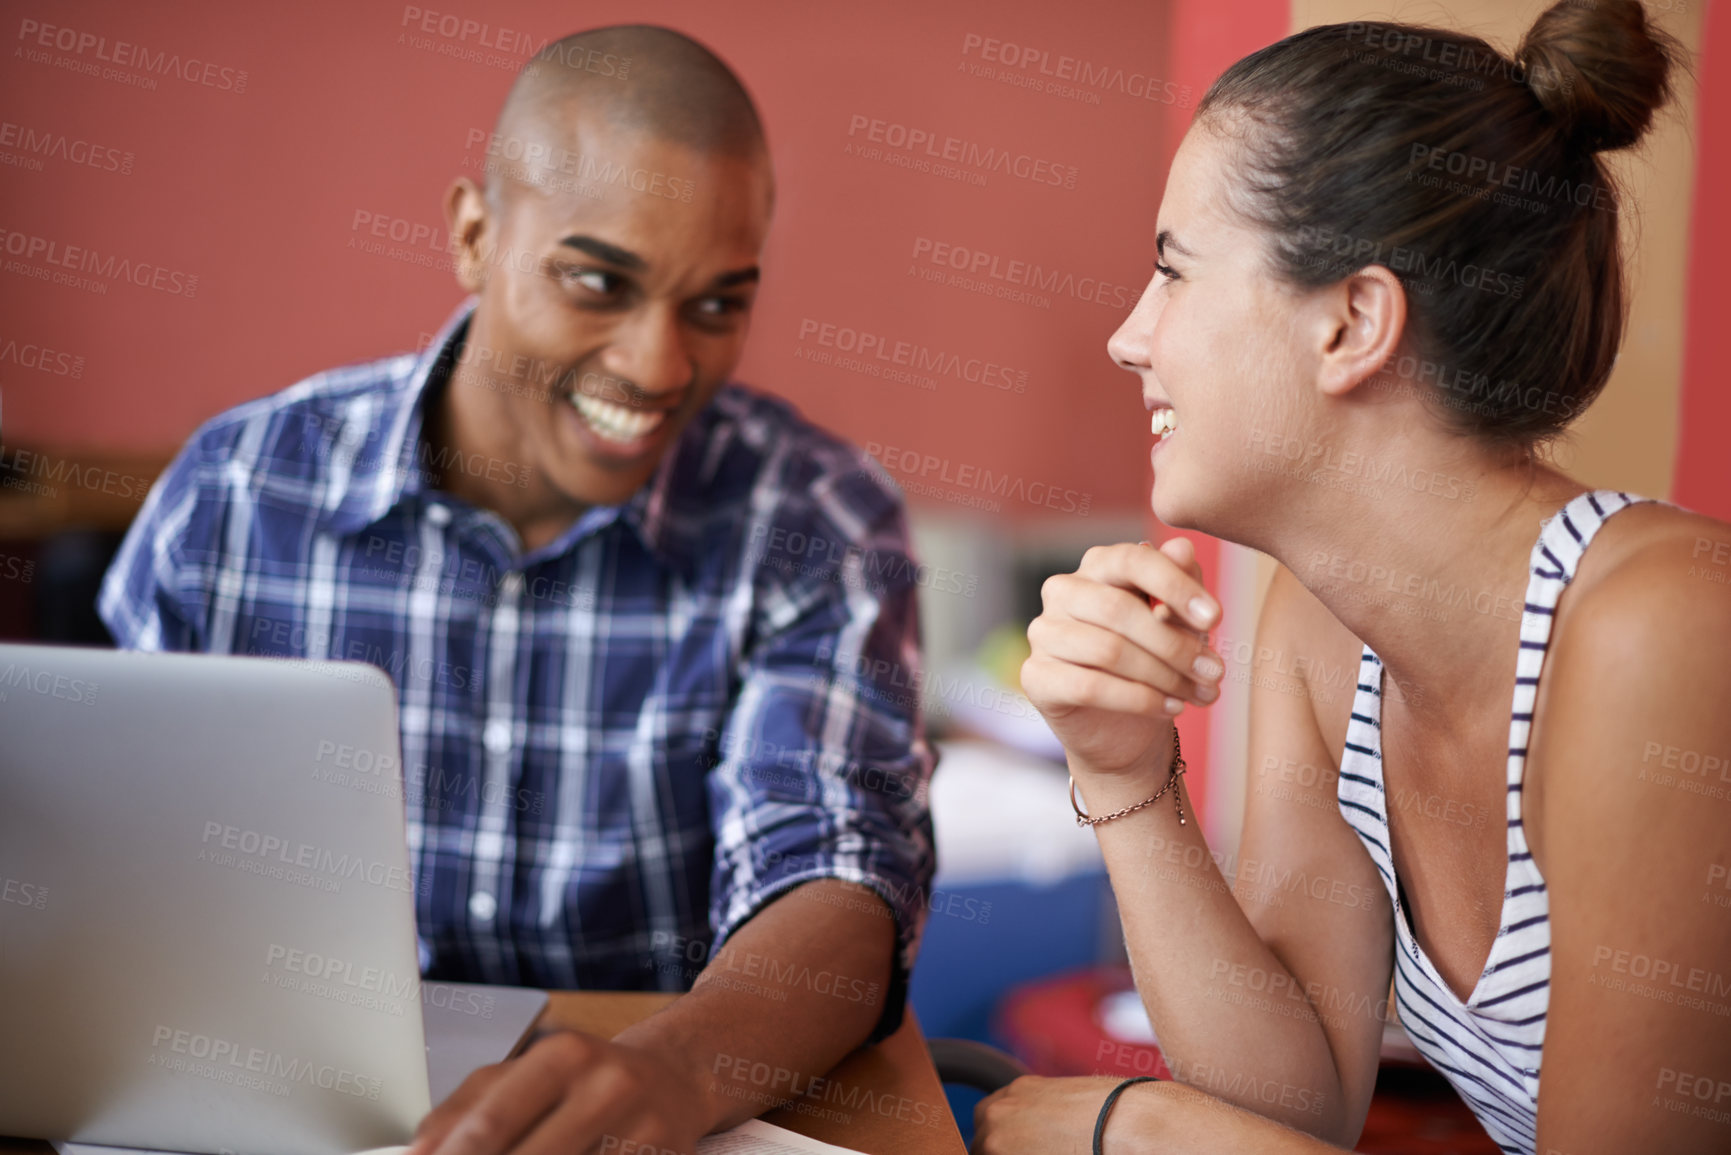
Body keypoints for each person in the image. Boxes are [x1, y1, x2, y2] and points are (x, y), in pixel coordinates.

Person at [99, 24, 937, 1155]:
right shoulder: (238, 495)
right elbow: (112, 874)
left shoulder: (816, 522)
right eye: (598, 282)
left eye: (716, 304)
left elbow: (836, 866)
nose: (656, 367)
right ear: (473, 234)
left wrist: (675, 1074)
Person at [979, 2, 1730, 1152]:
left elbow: (1235, 1140)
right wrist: (1121, 767)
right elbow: (1291, 1099)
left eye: (1175, 272)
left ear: (1353, 322)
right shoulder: (1325, 638)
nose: (1131, 337)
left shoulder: (1663, 629)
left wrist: (1144, 1136)